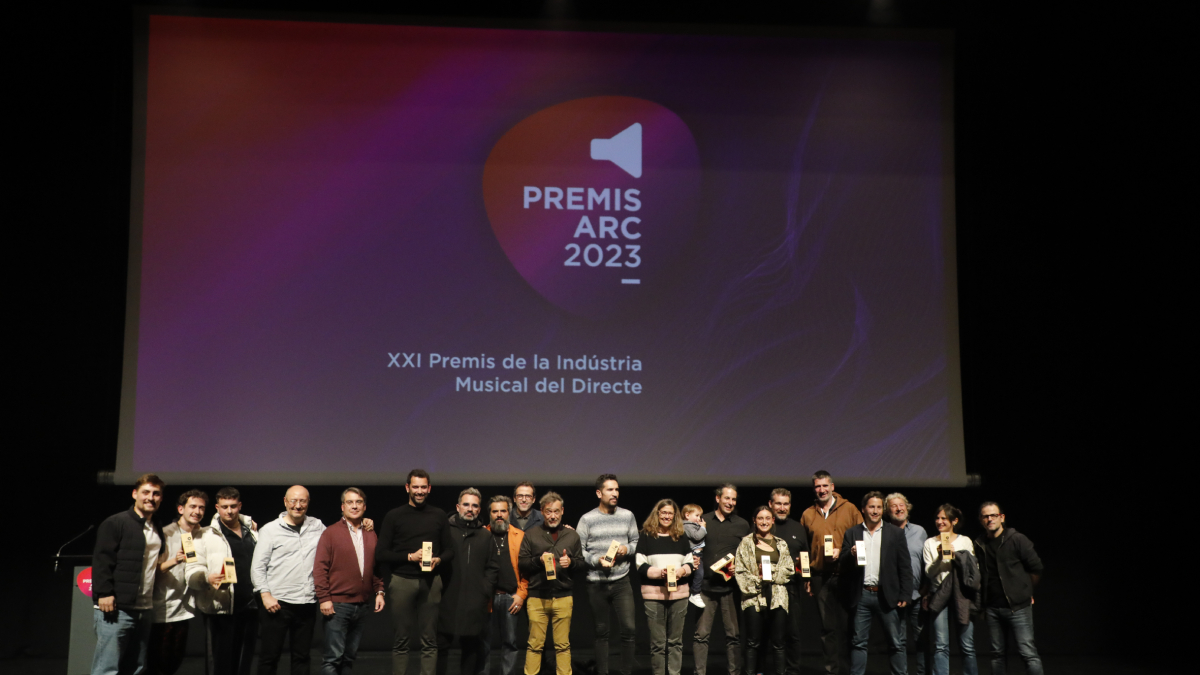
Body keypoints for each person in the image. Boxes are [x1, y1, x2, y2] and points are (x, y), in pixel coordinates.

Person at [376, 469, 456, 675]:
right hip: (402, 580)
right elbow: (381, 553)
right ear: (407, 488)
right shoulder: (394, 516)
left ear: (429, 489)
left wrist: (438, 559)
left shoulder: (438, 515)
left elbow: (450, 550)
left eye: (423, 487)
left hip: (431, 581)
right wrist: (409, 557)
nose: (419, 491)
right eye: (415, 487)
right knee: (401, 639)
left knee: (429, 639)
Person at [91, 473, 166, 675]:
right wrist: (104, 593)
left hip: (144, 608)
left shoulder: (156, 526)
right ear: (135, 494)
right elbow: (101, 561)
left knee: (137, 667)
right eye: (146, 492)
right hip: (117, 607)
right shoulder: (116, 522)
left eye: (156, 493)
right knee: (107, 668)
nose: (151, 497)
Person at [252, 485, 327, 675]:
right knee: (270, 657)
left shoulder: (317, 526)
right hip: (277, 603)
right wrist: (265, 595)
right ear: (285, 502)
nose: (298, 505)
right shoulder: (269, 530)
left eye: (302, 501)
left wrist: (363, 523)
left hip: (307, 602)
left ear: (308, 503)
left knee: (302, 657)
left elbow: (338, 537)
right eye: (293, 500)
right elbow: (257, 567)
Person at [186, 486, 259, 675]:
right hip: (220, 607)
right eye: (225, 506)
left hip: (250, 606)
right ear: (217, 507)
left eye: (233, 506)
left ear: (239, 506)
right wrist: (206, 578)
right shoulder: (203, 535)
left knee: (244, 660)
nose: (229, 511)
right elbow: (192, 570)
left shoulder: (252, 533)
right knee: (220, 663)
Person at [314, 487, 385, 675]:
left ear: (365, 506)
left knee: (349, 658)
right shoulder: (330, 533)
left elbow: (375, 567)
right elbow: (320, 568)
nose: (354, 506)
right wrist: (324, 598)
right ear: (342, 506)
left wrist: (379, 591)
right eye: (350, 502)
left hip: (361, 605)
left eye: (359, 502)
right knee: (332, 659)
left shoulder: (370, 533)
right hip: (337, 605)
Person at [841, 492, 912, 675]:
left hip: (887, 595)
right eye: (871, 507)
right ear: (864, 509)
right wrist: (851, 554)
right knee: (858, 642)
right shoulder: (853, 532)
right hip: (862, 595)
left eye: (879, 507)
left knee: (896, 642)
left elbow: (904, 566)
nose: (875, 511)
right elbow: (843, 563)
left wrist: (905, 594)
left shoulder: (895, 533)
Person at [799, 471, 863, 675]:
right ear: (814, 489)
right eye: (818, 486)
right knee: (828, 629)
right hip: (821, 578)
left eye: (825, 486)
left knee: (847, 627)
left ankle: (849, 670)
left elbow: (862, 540)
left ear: (832, 487)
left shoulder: (850, 509)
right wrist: (807, 576)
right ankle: (831, 671)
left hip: (846, 575)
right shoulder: (808, 514)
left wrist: (843, 551)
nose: (821, 490)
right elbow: (803, 549)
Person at [576, 474, 639, 675]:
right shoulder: (587, 519)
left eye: (617, 490)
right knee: (601, 632)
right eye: (610, 490)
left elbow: (636, 542)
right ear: (599, 493)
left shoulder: (627, 515)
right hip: (596, 582)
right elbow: (579, 550)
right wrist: (597, 560)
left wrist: (626, 549)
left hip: (622, 581)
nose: (615, 493)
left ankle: (625, 672)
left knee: (629, 629)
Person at [974, 502, 1043, 675]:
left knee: (1028, 653)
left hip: (1017, 607)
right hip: (992, 608)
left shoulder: (1017, 539)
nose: (990, 519)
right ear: (981, 520)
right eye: (985, 516)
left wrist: (1026, 592)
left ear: (1002, 517)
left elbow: (1036, 568)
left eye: (993, 515)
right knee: (997, 654)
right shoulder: (979, 543)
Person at [518, 492, 583, 675]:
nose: (552, 516)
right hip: (537, 597)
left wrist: (571, 563)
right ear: (542, 512)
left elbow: (582, 563)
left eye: (556, 511)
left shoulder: (572, 535)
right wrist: (538, 560)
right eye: (548, 512)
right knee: (534, 645)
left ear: (562, 511)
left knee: (563, 645)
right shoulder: (531, 534)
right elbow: (522, 563)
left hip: (563, 597)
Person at [438, 489, 500, 675]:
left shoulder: (485, 535)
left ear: (479, 509)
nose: (470, 509)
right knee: (441, 646)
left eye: (474, 506)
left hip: (474, 600)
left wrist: (484, 590)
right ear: (458, 507)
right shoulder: (445, 531)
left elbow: (493, 567)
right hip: (446, 597)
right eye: (466, 504)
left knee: (471, 647)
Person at [692, 484, 751, 675]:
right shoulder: (703, 520)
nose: (730, 503)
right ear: (718, 499)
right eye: (727, 498)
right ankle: (699, 673)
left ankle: (734, 672)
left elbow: (747, 555)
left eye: (733, 499)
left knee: (733, 636)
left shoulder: (742, 524)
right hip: (705, 588)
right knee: (701, 635)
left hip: (730, 589)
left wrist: (739, 567)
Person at [148, 490, 207, 675]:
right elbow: (149, 572)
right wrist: (174, 560)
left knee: (176, 659)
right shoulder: (165, 534)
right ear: (181, 509)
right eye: (193, 507)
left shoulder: (203, 534)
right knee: (158, 661)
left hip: (185, 608)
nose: (197, 511)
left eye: (201, 508)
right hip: (162, 607)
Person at [634, 499, 695, 675]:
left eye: (670, 513)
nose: (667, 516)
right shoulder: (646, 535)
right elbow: (640, 564)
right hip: (654, 596)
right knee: (658, 643)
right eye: (664, 513)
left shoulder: (681, 536)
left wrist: (681, 572)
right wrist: (659, 573)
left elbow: (690, 563)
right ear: (657, 514)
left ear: (675, 516)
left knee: (676, 641)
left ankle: (674, 673)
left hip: (679, 595)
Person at [734, 505, 794, 675]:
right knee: (753, 642)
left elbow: (788, 569)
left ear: (773, 520)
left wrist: (771, 573)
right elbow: (740, 571)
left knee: (779, 642)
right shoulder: (746, 543)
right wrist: (760, 579)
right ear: (754, 520)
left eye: (768, 518)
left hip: (778, 598)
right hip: (753, 597)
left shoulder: (781, 544)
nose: (764, 522)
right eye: (760, 518)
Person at [922, 505, 977, 675]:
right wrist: (939, 557)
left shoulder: (965, 541)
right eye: (938, 518)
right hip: (939, 593)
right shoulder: (930, 542)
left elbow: (973, 569)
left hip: (962, 594)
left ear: (955, 521)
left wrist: (958, 557)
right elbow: (929, 573)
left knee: (967, 644)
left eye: (944, 518)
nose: (939, 521)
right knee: (941, 644)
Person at [479, 496, 529, 675]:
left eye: (503, 511)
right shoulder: (482, 535)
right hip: (487, 599)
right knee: (483, 642)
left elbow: (527, 571)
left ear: (509, 513)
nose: (499, 515)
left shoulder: (520, 536)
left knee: (510, 642)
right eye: (495, 511)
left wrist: (521, 594)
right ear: (490, 514)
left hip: (511, 598)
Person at [766, 489, 810, 675]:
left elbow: (805, 556)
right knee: (768, 634)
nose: (782, 508)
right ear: (771, 505)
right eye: (778, 504)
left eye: (785, 504)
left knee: (792, 633)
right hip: (767, 588)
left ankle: (792, 671)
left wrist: (807, 579)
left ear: (790, 506)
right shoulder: (764, 526)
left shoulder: (798, 528)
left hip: (792, 588)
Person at [886, 493, 928, 675]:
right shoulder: (884, 532)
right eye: (893, 506)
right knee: (898, 641)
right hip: (895, 596)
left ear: (907, 507)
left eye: (901, 504)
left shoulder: (920, 531)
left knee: (921, 639)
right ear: (888, 511)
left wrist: (926, 589)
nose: (898, 508)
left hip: (918, 595)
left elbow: (928, 562)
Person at [681, 504, 706, 608]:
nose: (699, 519)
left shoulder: (693, 525)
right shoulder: (687, 525)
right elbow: (697, 536)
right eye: (697, 515)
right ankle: (695, 593)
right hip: (693, 554)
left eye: (700, 516)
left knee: (699, 574)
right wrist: (703, 528)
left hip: (699, 553)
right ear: (687, 515)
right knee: (699, 573)